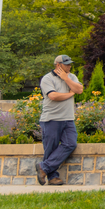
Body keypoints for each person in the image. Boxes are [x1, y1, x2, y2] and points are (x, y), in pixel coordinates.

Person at [35, 55, 83, 186]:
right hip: (51, 119)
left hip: (68, 118)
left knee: (70, 144)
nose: (69, 66)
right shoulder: (47, 79)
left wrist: (66, 78)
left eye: (70, 64)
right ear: (58, 65)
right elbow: (53, 95)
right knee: (50, 148)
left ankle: (43, 167)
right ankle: (53, 177)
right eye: (66, 64)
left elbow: (79, 89)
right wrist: (70, 93)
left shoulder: (71, 77)